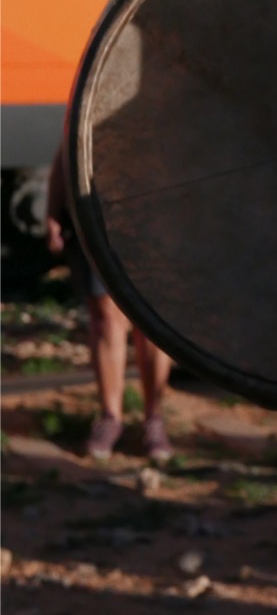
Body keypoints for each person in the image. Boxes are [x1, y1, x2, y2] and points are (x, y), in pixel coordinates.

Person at [46, 146, 174, 463]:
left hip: (155, 217)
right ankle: (110, 418)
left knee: (154, 322)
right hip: (96, 216)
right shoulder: (89, 94)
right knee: (106, 318)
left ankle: (154, 420)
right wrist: (52, 211)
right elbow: (69, 145)